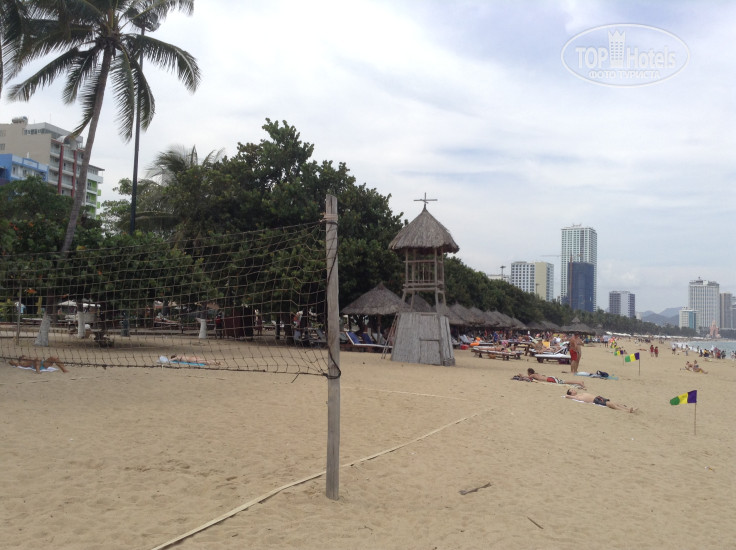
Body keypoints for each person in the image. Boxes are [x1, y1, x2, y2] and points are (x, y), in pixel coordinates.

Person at [565, 388, 636, 412]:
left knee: (614, 402)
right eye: (572, 390)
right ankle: (626, 411)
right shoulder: (576, 397)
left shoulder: (580, 393)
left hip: (598, 397)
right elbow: (567, 396)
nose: (573, 390)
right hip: (595, 400)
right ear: (571, 394)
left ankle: (628, 408)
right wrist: (569, 396)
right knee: (610, 404)